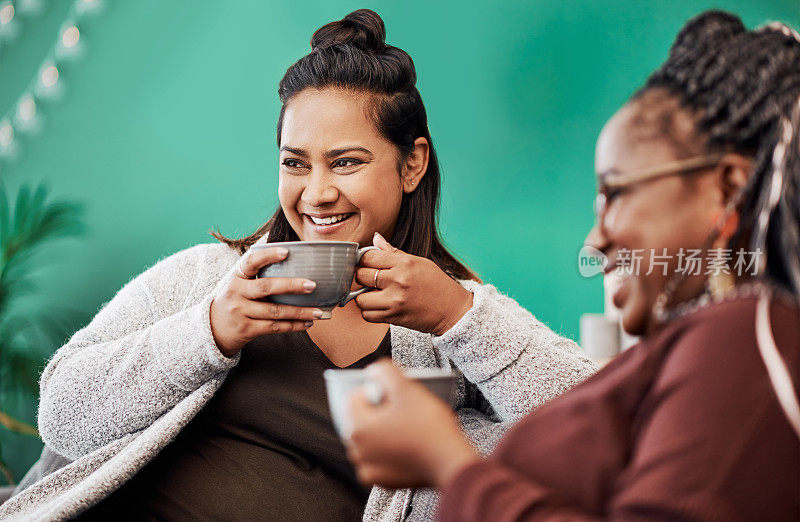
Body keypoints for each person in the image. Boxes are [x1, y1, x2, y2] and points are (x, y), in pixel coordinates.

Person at [0, 9, 596, 521]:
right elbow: (62, 418)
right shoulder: (206, 279)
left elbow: (595, 434)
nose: (316, 194)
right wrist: (207, 330)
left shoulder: (447, 331)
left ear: (412, 165)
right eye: (295, 163)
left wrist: (459, 313)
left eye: (345, 162)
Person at [344, 11, 800, 521]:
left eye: (616, 194)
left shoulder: (742, 338)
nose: (596, 238)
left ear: (728, 188)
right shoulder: (706, 347)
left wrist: (448, 466)